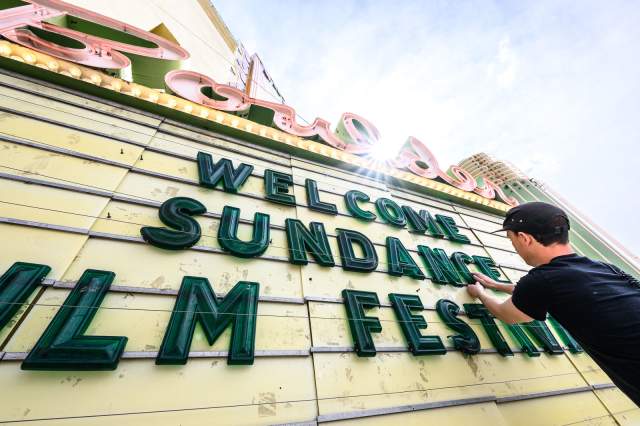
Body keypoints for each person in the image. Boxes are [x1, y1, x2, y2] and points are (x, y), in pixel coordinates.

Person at [466, 201, 640, 406]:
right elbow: (558, 291)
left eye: (511, 240)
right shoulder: (603, 268)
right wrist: (497, 285)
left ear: (524, 238)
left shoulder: (543, 280)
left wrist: (481, 293)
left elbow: (508, 314)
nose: (514, 247)